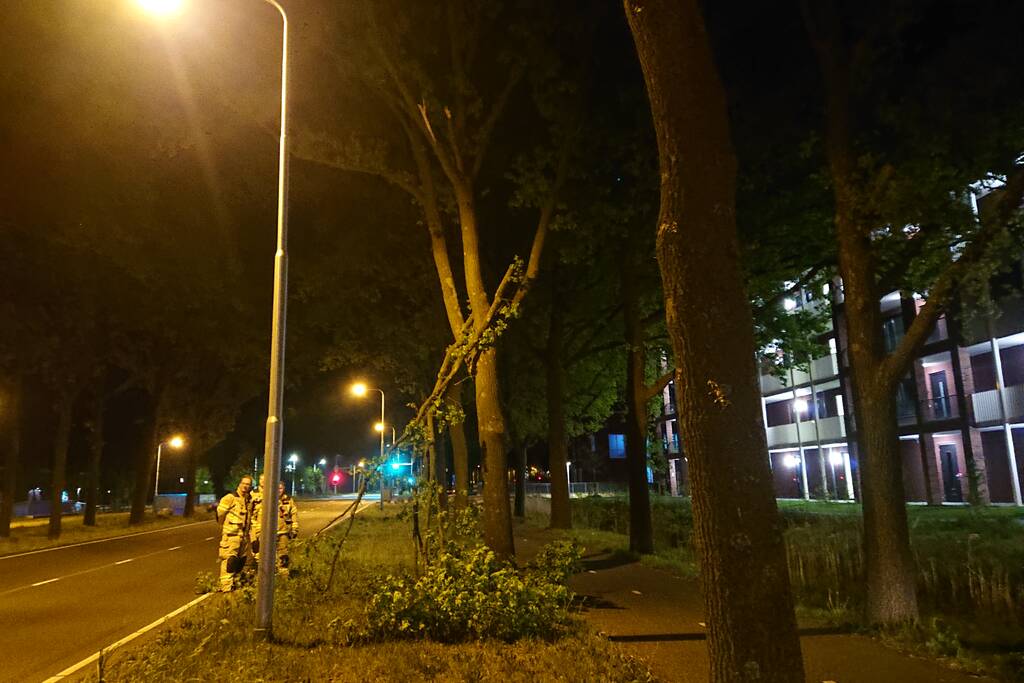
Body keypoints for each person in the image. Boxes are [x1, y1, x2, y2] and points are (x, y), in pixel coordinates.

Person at [252, 479, 299, 576]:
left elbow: (294, 514)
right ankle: (267, 577)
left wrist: (295, 529)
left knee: (283, 556)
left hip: (283, 533)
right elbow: (259, 516)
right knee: (267, 556)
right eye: (277, 488)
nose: (279, 490)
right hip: (268, 534)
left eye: (281, 488)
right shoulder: (267, 500)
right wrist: (257, 532)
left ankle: (283, 577)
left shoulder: (288, 500)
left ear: (284, 489)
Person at [216, 475, 253, 592]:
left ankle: (234, 585)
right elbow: (220, 515)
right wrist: (226, 528)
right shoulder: (230, 498)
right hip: (231, 536)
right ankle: (226, 589)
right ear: (239, 484)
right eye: (244, 483)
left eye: (248, 484)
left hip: (243, 536)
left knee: (240, 562)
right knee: (229, 562)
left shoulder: (248, 500)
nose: (245, 486)